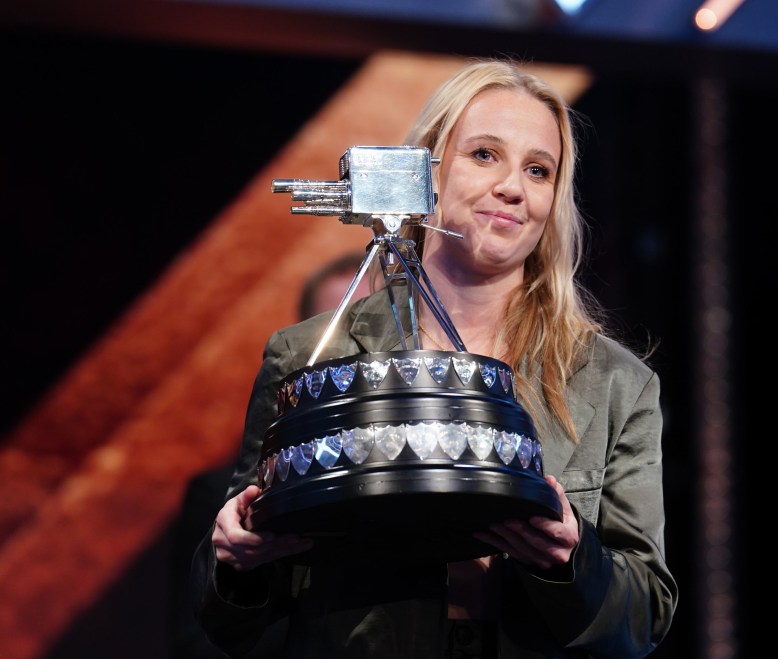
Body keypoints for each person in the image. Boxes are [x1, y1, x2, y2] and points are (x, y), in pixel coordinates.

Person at [190, 58, 678, 658]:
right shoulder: (308, 355)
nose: (512, 187)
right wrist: (238, 564)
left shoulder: (616, 385)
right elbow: (227, 615)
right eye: (484, 155)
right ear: (428, 169)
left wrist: (570, 559)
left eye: (538, 169)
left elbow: (643, 617)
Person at [169, 252, 368, 658]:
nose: (360, 355)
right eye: (340, 330)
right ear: (303, 342)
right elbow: (197, 643)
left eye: (374, 328)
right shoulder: (223, 495)